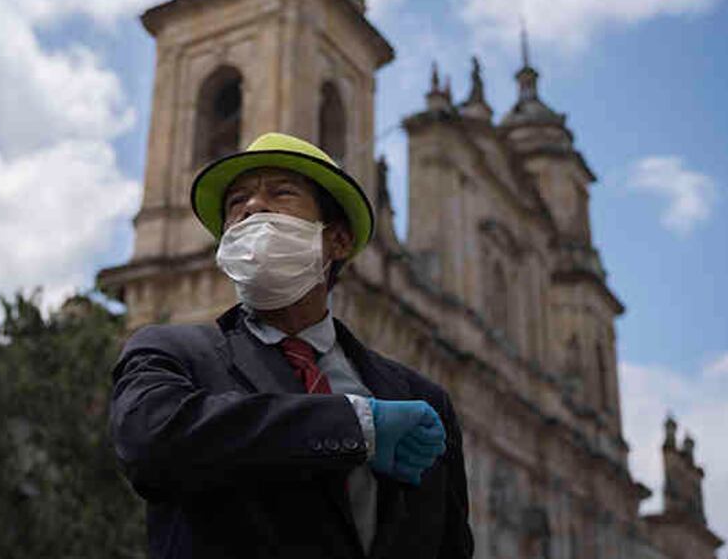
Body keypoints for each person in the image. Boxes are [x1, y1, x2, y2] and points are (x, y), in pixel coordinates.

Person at [110, 132, 474, 559]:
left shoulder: (422, 399)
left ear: (337, 240)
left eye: (281, 192)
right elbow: (152, 443)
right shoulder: (170, 353)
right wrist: (355, 425)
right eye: (236, 203)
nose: (251, 207)